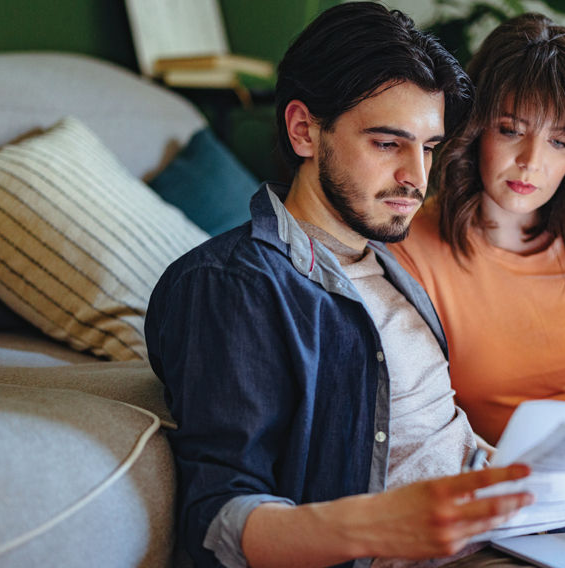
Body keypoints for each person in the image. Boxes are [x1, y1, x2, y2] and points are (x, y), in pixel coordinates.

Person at [145, 3, 538, 567]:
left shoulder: (385, 265)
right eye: (386, 143)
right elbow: (216, 517)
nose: (416, 177)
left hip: (512, 523)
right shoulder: (234, 284)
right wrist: (374, 527)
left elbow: (437, 439)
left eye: (427, 147)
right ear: (305, 129)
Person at [389, 14, 565, 519]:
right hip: (517, 481)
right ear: (475, 127)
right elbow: (418, 418)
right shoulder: (414, 245)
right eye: (510, 130)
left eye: (559, 141)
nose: (531, 161)